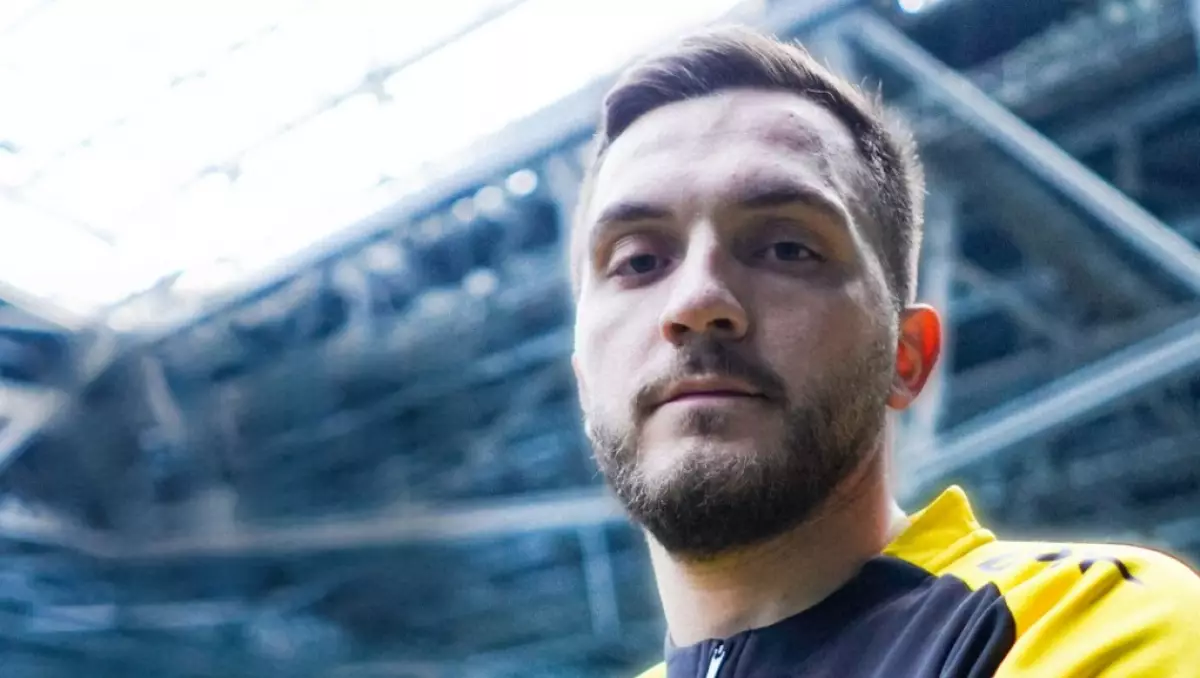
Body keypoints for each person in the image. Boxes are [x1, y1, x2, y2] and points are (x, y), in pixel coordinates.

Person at [567, 25, 1200, 678]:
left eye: (787, 248)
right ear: (584, 379)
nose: (698, 301)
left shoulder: (1095, 619)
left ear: (907, 356)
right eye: (638, 261)